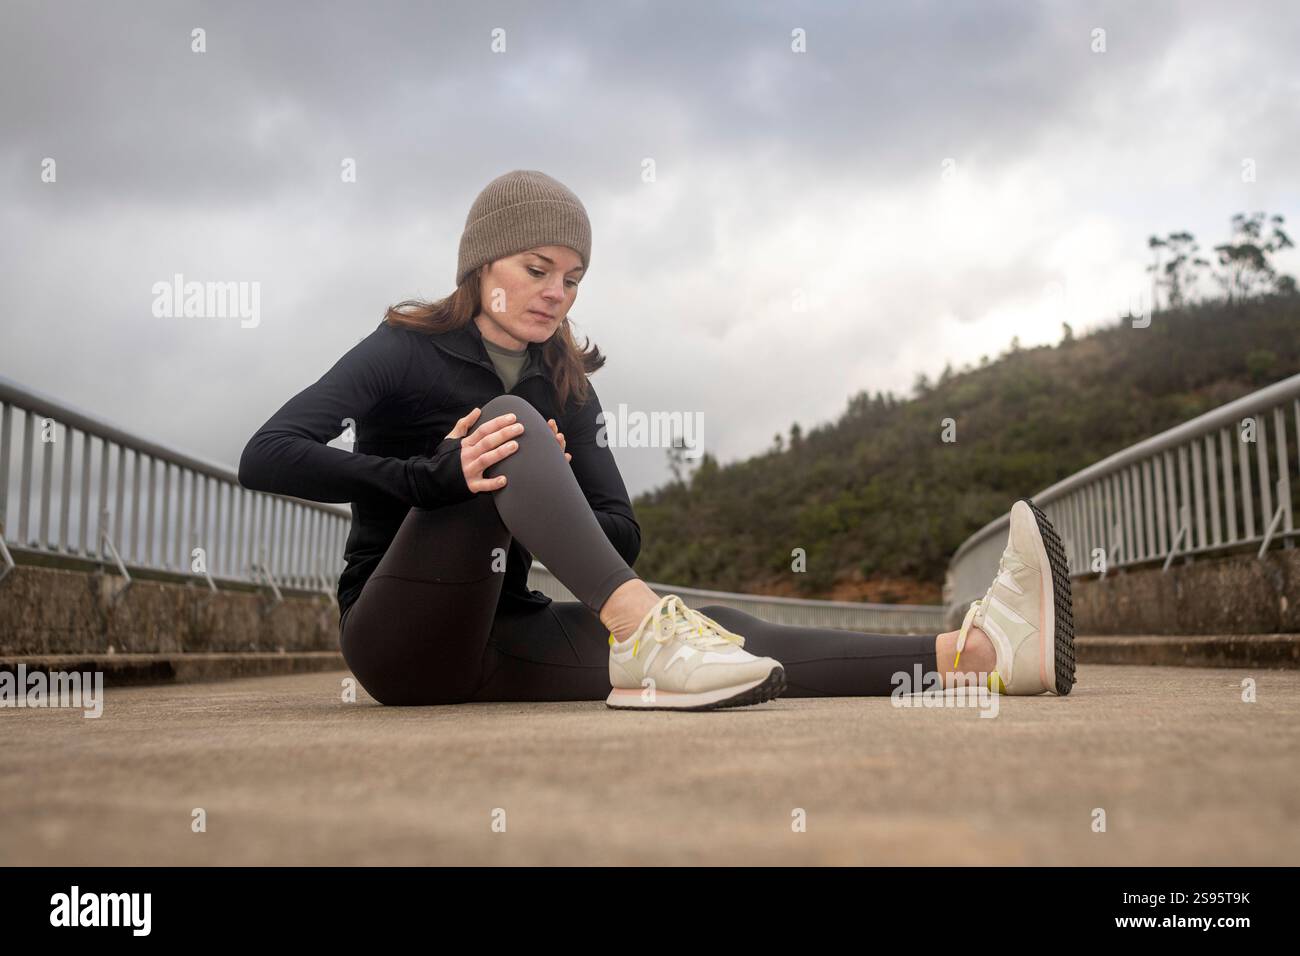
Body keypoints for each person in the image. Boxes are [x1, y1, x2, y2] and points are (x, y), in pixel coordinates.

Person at [238, 169, 1075, 711]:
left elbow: (621, 533)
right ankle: (647, 637)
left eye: (573, 278)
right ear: (484, 266)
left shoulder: (564, 381)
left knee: (726, 635)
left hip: (504, 639)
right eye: (537, 269)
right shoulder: (403, 350)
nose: (557, 293)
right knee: (508, 432)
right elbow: (266, 454)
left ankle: (979, 653)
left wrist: (541, 501)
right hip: (398, 643)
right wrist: (434, 477)